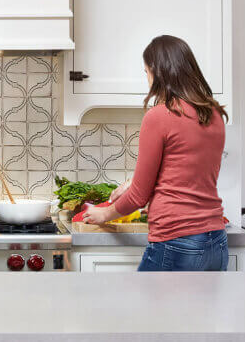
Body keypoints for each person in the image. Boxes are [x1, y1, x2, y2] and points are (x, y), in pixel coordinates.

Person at [82, 35, 229, 271]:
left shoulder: (159, 116)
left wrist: (104, 213)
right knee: (201, 310)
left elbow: (139, 195)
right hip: (216, 242)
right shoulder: (214, 115)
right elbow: (187, 176)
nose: (147, 79)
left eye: (147, 72)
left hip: (176, 241)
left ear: (158, 72)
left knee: (147, 309)